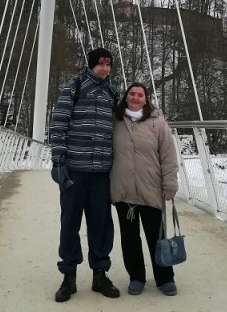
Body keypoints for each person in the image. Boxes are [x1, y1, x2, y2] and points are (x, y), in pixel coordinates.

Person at [50, 47, 120, 303]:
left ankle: (100, 274)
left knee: (101, 224)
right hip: (75, 170)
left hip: (102, 172)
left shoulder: (113, 92)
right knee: (70, 224)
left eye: (108, 65)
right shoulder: (75, 86)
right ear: (91, 64)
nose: (104, 69)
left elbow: (122, 128)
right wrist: (59, 161)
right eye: (100, 64)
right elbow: (58, 124)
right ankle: (68, 277)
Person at [110, 82, 179, 296]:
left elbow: (168, 155)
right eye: (132, 94)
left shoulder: (157, 122)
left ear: (146, 99)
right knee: (129, 238)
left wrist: (169, 185)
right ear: (126, 97)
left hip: (151, 189)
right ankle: (136, 277)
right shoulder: (115, 121)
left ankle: (165, 278)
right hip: (124, 191)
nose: (135, 98)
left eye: (140, 95)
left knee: (156, 236)